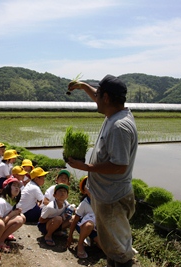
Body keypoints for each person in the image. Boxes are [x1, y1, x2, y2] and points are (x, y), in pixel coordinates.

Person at [67, 74, 138, 267]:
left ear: (106, 98)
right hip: (107, 195)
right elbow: (98, 95)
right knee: (112, 244)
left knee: (117, 249)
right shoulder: (115, 114)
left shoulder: (119, 126)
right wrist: (82, 86)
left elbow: (120, 165)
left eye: (98, 94)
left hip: (112, 198)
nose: (95, 97)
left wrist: (86, 167)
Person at [67, 176, 101, 259]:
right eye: (89, 186)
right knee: (89, 225)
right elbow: (75, 220)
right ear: (85, 191)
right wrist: (70, 235)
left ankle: (94, 241)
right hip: (84, 226)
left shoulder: (102, 200)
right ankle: (80, 244)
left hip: (98, 227)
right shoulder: (84, 204)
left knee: (105, 248)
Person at [0, 177, 25, 252]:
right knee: (19, 219)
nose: (17, 188)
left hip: (1, 225)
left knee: (22, 217)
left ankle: (3, 236)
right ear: (7, 187)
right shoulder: (1, 202)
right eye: (14, 185)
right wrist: (12, 214)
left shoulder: (11, 201)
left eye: (18, 186)